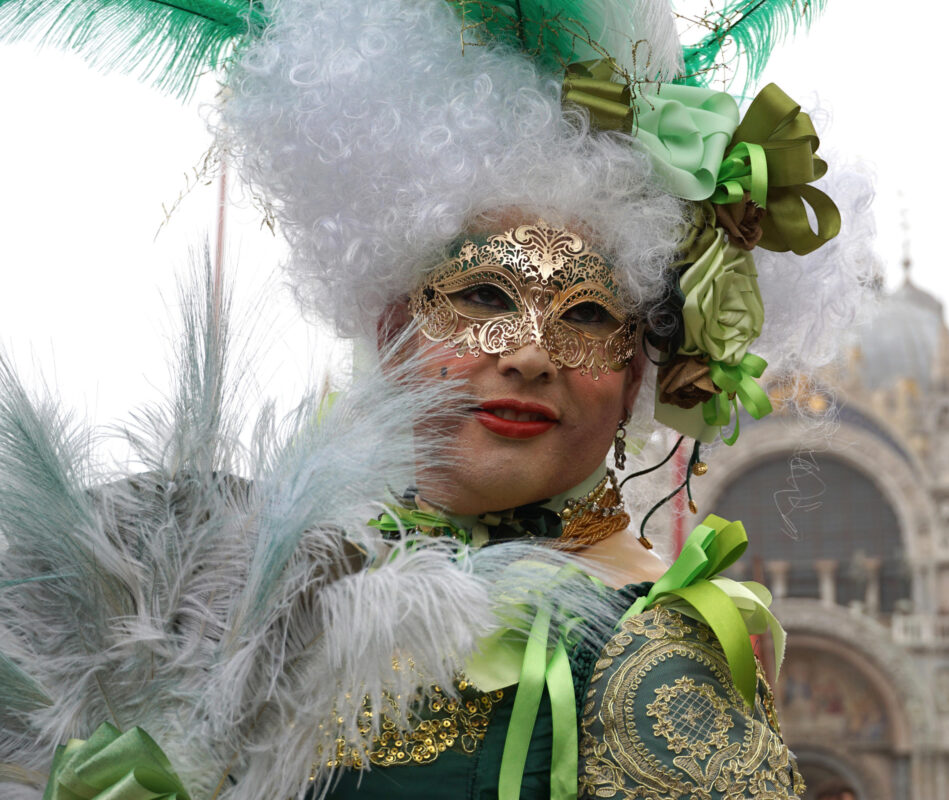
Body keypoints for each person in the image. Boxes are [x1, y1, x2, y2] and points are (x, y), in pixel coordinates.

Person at [0, 0, 876, 796]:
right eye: (485, 297)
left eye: (586, 316)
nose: (531, 354)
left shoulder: (655, 657)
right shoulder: (236, 596)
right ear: (390, 327)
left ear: (638, 376)